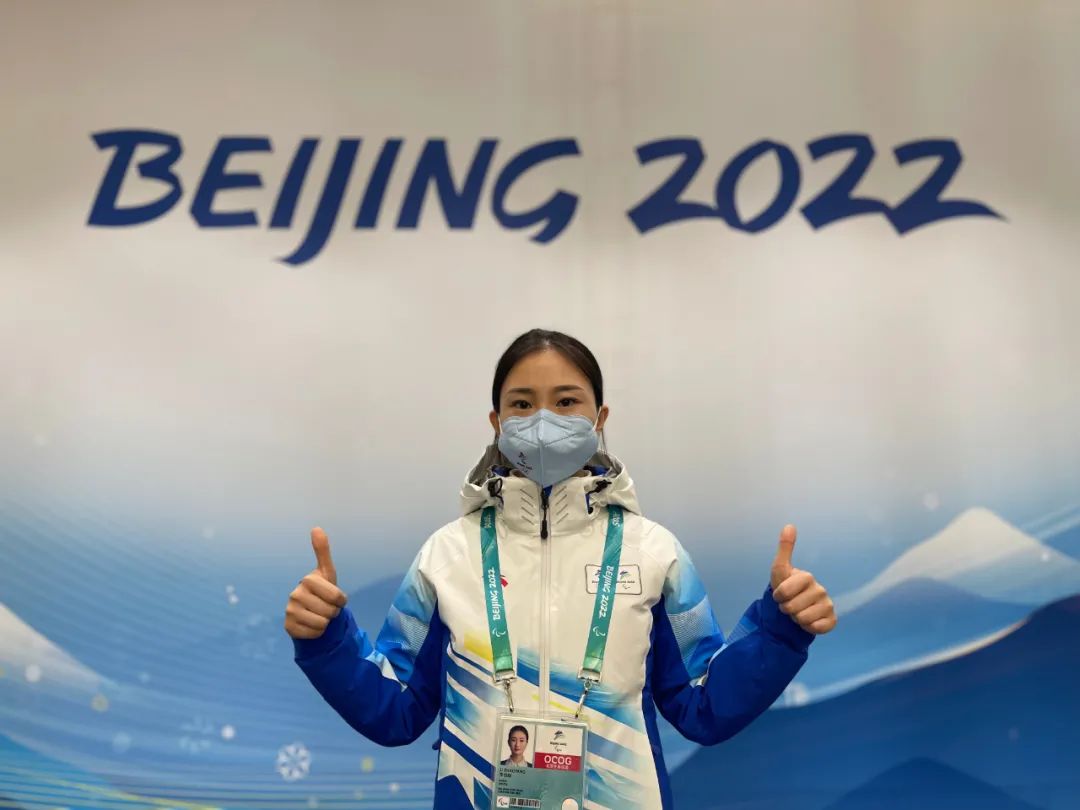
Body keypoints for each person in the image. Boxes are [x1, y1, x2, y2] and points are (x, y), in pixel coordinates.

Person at [285, 328, 837, 810]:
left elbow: (703, 704)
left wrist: (780, 630)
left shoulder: (654, 553)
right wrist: (327, 640)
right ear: (497, 422)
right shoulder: (446, 555)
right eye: (522, 404)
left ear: (599, 418)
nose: (543, 419)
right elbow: (396, 710)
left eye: (566, 401)